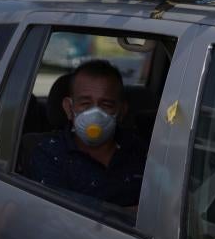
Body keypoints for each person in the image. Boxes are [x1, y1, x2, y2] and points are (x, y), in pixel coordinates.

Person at [28, 59, 146, 209]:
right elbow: (58, 219)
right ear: (69, 108)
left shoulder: (140, 152)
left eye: (106, 104)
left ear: (121, 110)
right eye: (85, 103)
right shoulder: (50, 154)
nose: (95, 113)